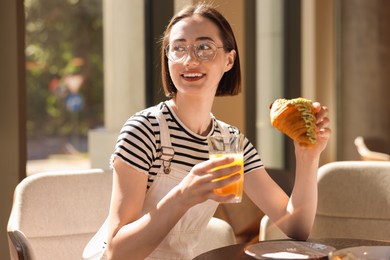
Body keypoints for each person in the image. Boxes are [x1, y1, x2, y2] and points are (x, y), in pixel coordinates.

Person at [105, 3, 331, 260]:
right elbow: (116, 252)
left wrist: (308, 156)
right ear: (167, 58)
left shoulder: (231, 142)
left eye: (204, 48)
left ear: (229, 60)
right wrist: (183, 196)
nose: (189, 60)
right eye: (178, 48)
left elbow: (296, 226)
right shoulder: (144, 131)